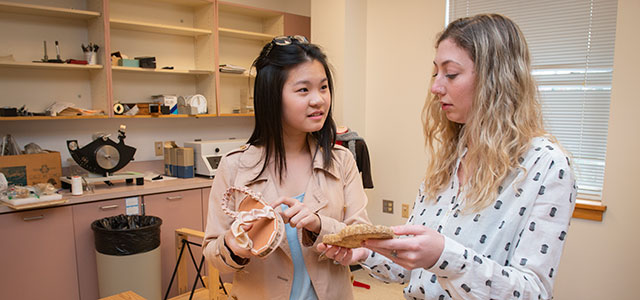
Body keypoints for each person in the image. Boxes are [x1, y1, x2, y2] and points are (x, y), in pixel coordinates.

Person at [319, 14, 577, 300]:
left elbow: (533, 292)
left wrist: (444, 255)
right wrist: (364, 252)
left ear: (496, 79)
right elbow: (412, 270)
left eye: (451, 74)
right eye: (435, 73)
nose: (435, 87)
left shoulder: (547, 164)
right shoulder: (453, 157)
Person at [202, 35, 371, 300]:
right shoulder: (235, 166)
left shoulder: (341, 161)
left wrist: (319, 225)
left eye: (324, 87)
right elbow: (213, 254)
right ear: (271, 96)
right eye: (303, 90)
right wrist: (233, 247)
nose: (318, 100)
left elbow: (360, 237)